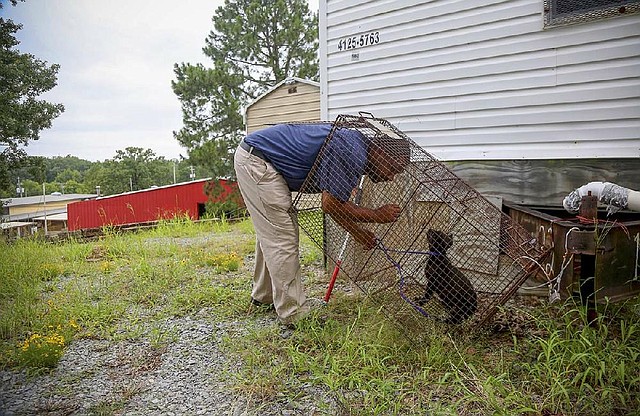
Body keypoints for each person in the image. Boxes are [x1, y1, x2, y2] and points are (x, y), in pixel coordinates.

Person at [233, 122, 408, 325]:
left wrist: (357, 232)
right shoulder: (353, 152)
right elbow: (330, 205)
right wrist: (376, 215)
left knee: (273, 231)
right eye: (393, 168)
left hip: (258, 157)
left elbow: (335, 203)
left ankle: (263, 296)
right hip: (259, 161)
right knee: (282, 238)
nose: (391, 177)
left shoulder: (355, 147)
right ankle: (294, 314)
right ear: (380, 152)